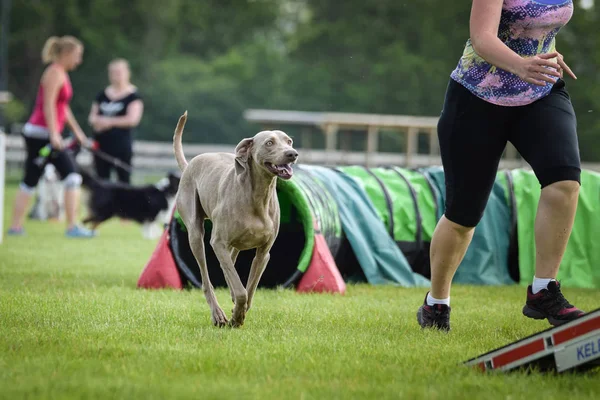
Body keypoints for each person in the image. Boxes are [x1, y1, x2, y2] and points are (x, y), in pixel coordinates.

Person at [417, 0, 585, 331]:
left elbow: (541, 24)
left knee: (564, 182)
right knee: (463, 217)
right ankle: (436, 303)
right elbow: (482, 38)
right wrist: (522, 64)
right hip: (476, 99)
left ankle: (543, 290)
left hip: (540, 93)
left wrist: (545, 52)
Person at [7, 35, 95, 238]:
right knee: (71, 175)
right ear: (66, 53)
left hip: (44, 133)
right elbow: (48, 105)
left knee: (31, 178)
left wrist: (78, 132)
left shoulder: (62, 73)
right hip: (42, 134)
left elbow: (63, 108)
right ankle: (72, 227)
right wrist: (55, 134)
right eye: (77, 55)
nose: (78, 61)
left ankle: (16, 227)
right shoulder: (54, 73)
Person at [88, 58, 143, 184]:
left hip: (121, 145)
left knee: (123, 179)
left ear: (127, 73)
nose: (116, 76)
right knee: (101, 180)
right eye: (113, 73)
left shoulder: (133, 96)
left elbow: (132, 119)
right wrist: (98, 122)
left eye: (119, 72)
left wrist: (108, 122)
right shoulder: (102, 95)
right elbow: (92, 117)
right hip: (101, 145)